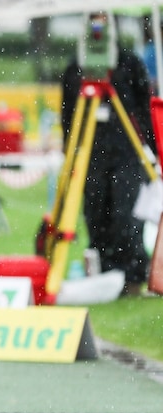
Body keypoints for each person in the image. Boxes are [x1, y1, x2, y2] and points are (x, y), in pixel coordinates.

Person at [60, 14, 156, 296]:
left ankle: (132, 278)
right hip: (91, 155)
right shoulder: (75, 69)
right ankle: (103, 274)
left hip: (127, 153)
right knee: (96, 215)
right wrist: (69, 154)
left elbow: (144, 110)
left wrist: (154, 149)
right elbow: (69, 117)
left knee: (126, 217)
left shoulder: (129, 65)